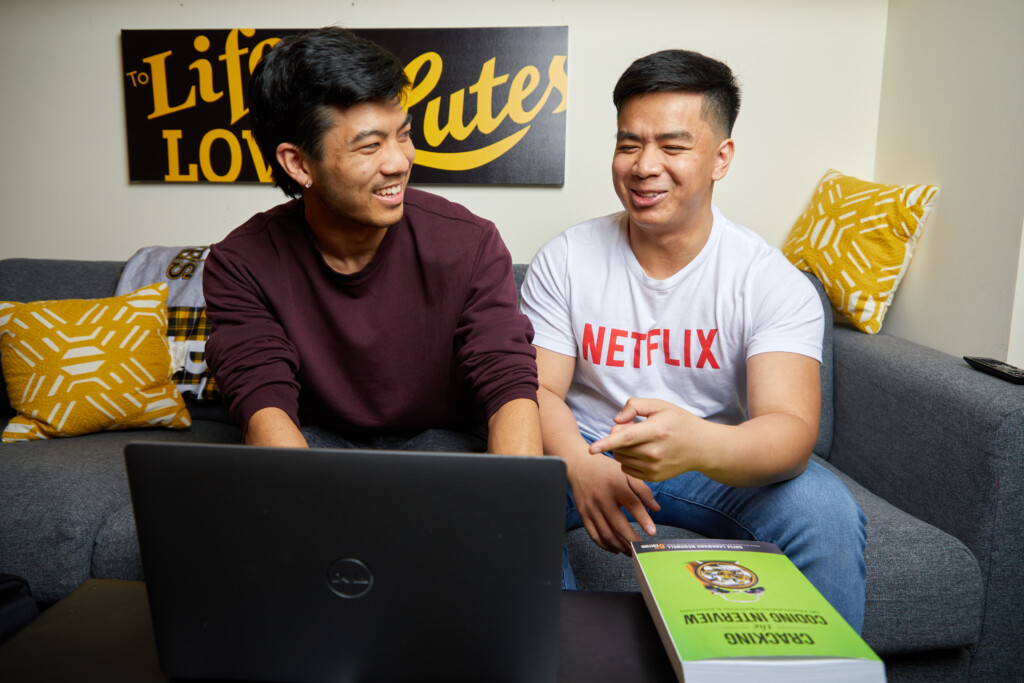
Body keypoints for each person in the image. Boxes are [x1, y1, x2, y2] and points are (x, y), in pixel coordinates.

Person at [520, 49, 868, 631]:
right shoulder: (568, 258)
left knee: (823, 510)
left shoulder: (769, 280)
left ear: (721, 158)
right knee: (507, 489)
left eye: (673, 147)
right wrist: (579, 463)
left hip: (714, 452)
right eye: (628, 144)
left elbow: (789, 430)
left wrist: (698, 444)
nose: (643, 166)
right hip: (588, 445)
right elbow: (533, 391)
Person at [204, 27, 541, 456]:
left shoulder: (469, 242)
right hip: (314, 441)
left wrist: (509, 505)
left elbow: (508, 380)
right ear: (298, 163)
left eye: (403, 134)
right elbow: (262, 401)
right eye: (369, 147)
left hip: (445, 443)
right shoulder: (240, 263)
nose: (399, 162)